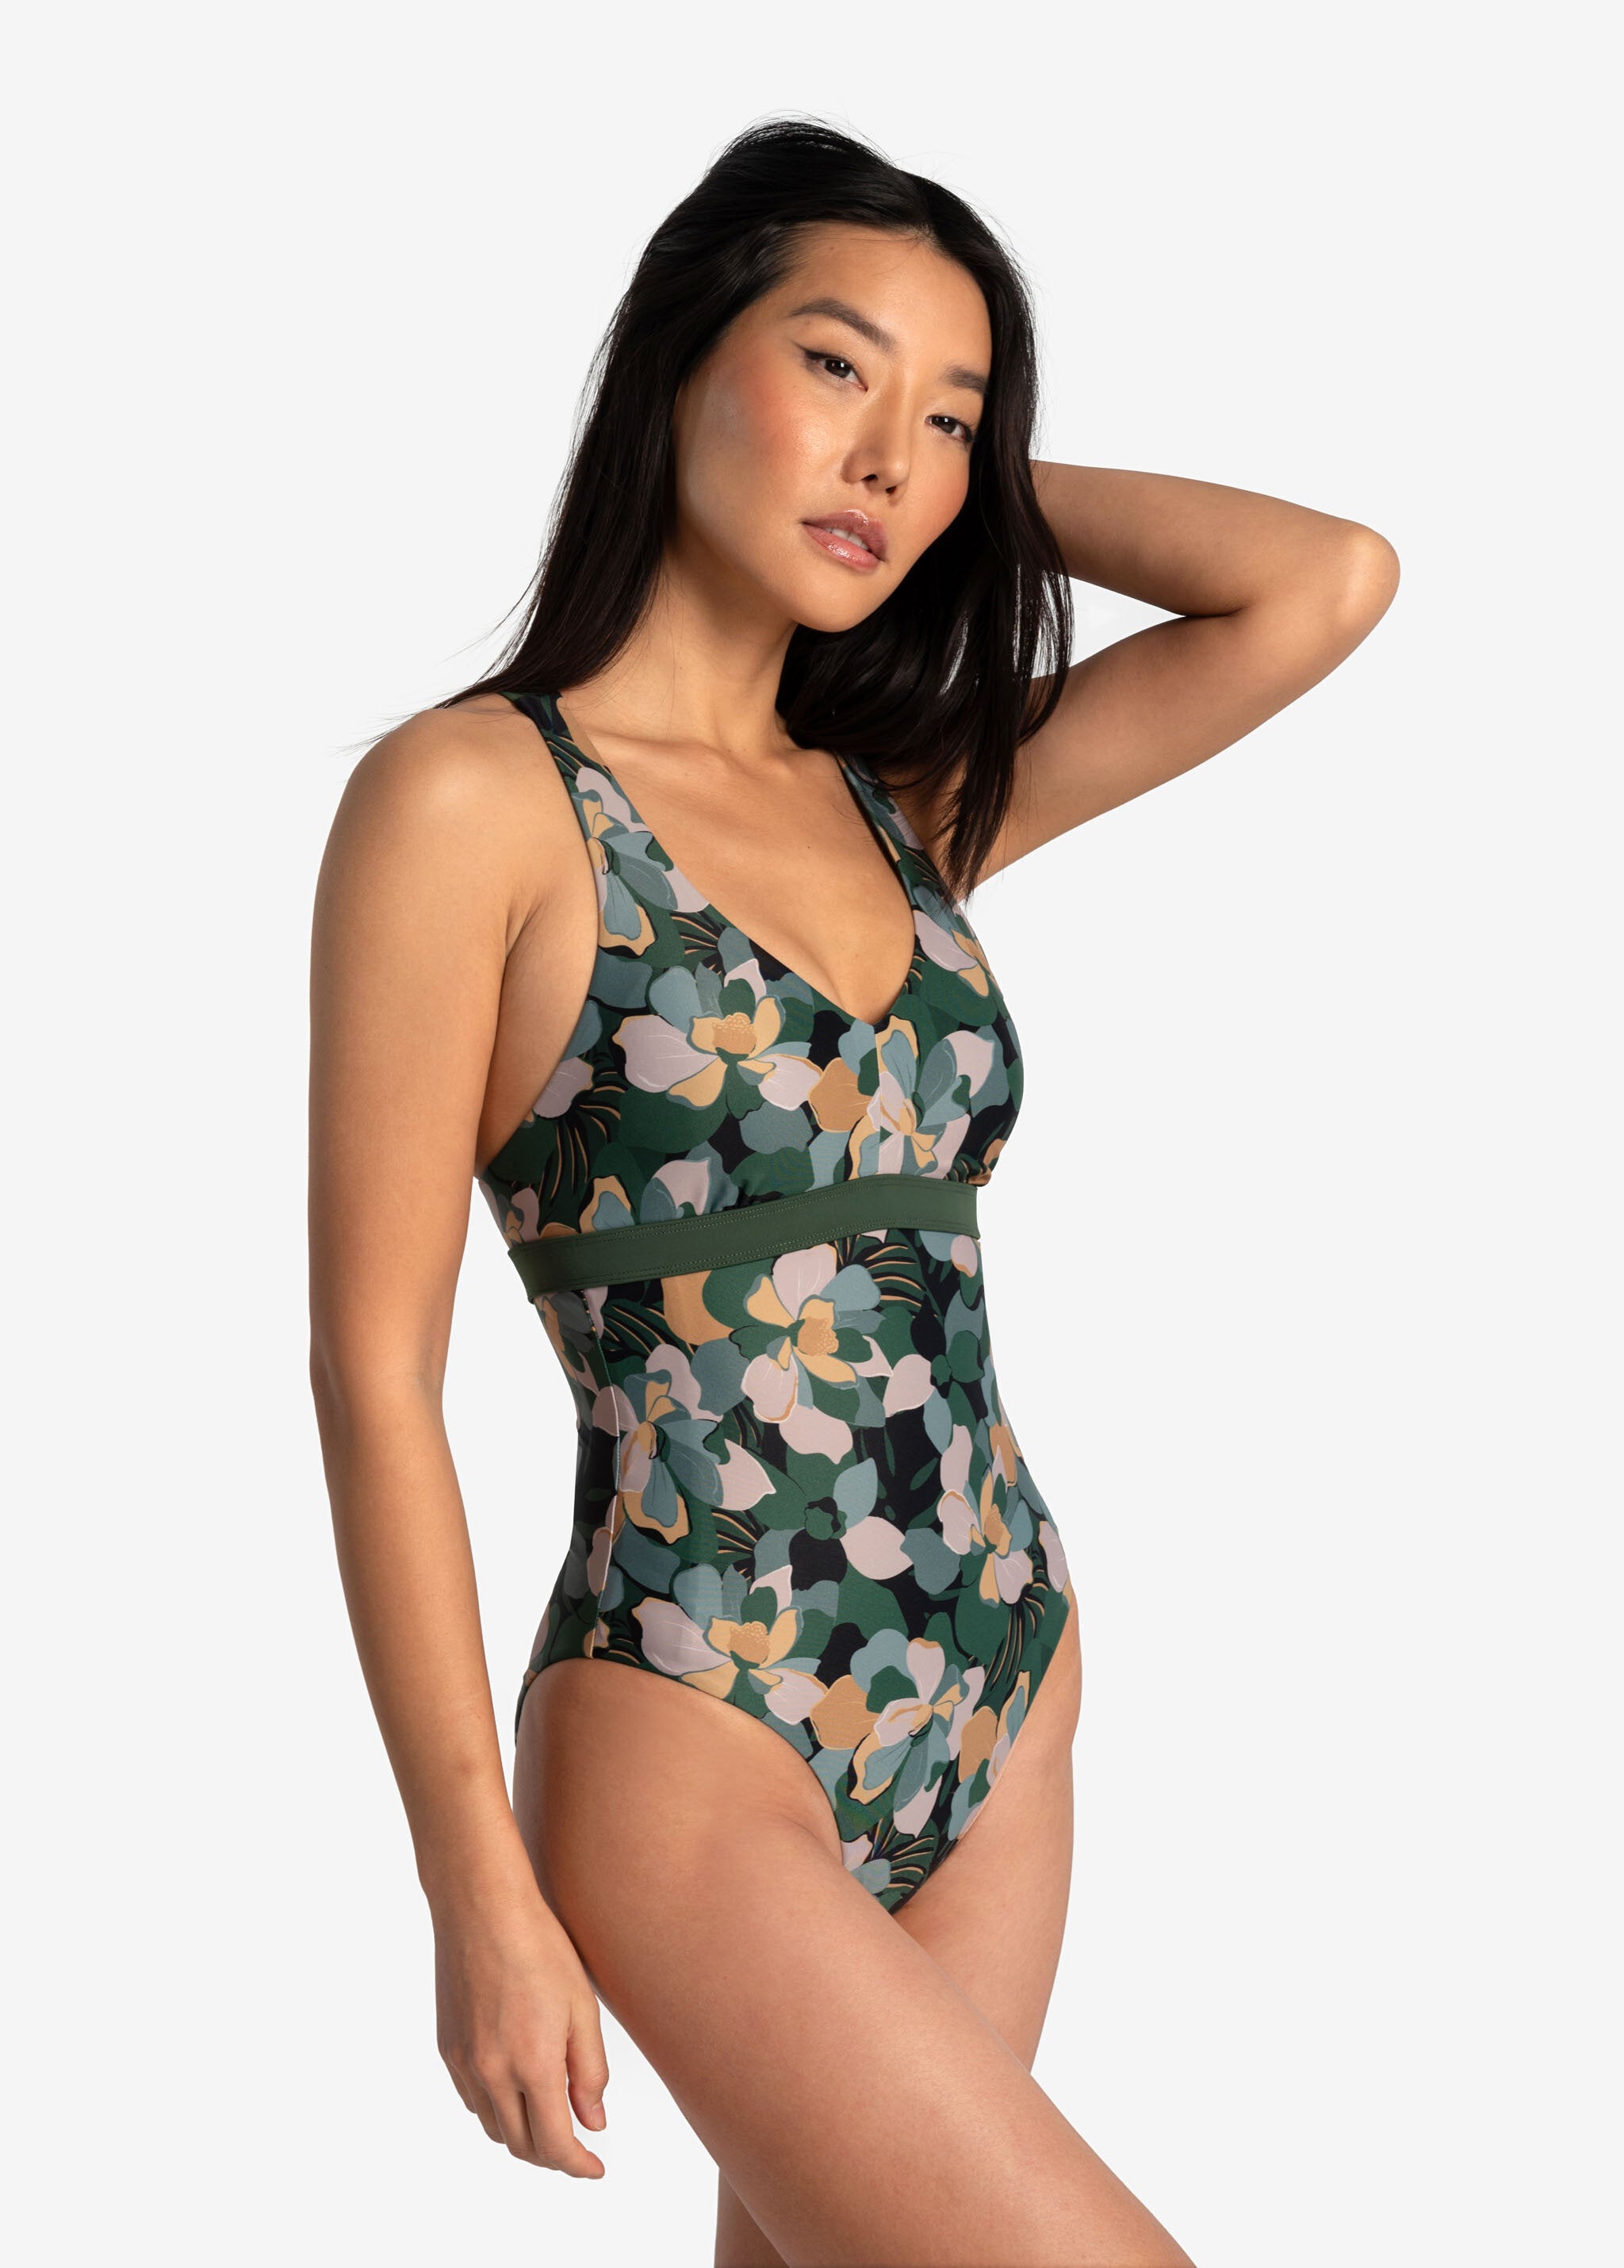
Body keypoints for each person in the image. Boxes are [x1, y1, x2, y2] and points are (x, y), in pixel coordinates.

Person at [308, 117, 1397, 2268]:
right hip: (696, 1707)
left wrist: (971, 487)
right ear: (674, 361)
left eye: (953, 417)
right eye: (834, 366)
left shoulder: (903, 798)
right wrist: (471, 1883)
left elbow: (1325, 583)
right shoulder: (472, 797)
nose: (892, 457)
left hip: (1002, 1665)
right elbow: (370, 1372)